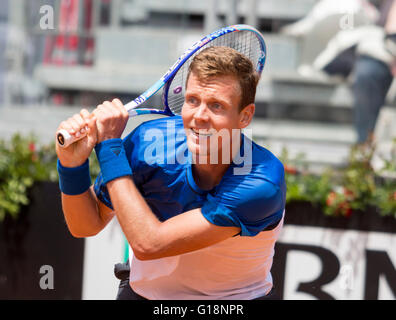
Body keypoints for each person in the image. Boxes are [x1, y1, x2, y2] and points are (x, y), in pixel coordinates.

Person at [55, 46, 286, 300]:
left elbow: (149, 244)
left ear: (245, 116)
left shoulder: (262, 181)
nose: (199, 116)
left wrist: (110, 147)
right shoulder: (147, 143)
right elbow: (86, 225)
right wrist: (71, 166)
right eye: (193, 100)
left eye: (216, 106)